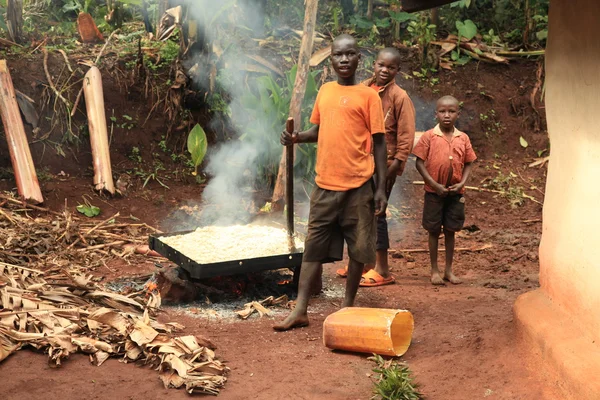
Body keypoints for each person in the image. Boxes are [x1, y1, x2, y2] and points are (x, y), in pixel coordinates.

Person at [273, 34, 388, 331]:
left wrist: (381, 188)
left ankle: (347, 307)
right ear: (332, 59)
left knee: (359, 248)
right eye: (338, 55)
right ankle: (300, 309)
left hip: (359, 185)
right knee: (312, 246)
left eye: (350, 54)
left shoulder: (369, 96)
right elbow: (318, 131)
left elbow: (379, 144)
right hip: (325, 184)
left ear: (359, 58)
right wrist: (297, 137)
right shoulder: (325, 91)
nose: (344, 60)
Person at [335, 47, 416, 287]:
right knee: (357, 212)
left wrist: (393, 167)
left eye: (391, 67)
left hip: (384, 164)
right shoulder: (362, 89)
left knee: (376, 213)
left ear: (397, 70)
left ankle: (382, 269)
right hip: (358, 161)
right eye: (381, 65)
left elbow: (406, 137)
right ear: (374, 64)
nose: (385, 70)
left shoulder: (400, 97)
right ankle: (362, 262)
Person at [412, 95, 477, 285]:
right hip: (434, 193)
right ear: (436, 114)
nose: (446, 115)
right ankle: (434, 271)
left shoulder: (462, 138)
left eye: (451, 111)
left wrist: (462, 183)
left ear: (458, 113)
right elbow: (419, 162)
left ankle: (449, 270)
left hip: (456, 193)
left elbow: (469, 163)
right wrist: (434, 184)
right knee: (433, 230)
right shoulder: (429, 137)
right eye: (442, 111)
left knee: (451, 230)